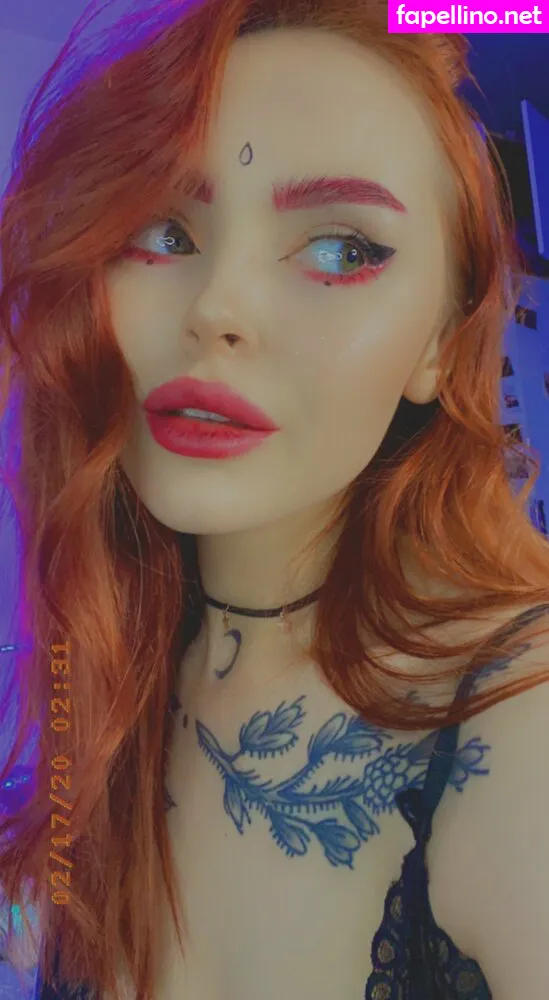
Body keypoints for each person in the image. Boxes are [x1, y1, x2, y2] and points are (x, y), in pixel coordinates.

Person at [0, 0, 548, 997]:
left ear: (438, 342)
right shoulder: (112, 649)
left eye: (341, 249)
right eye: (162, 230)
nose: (218, 306)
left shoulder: (518, 721)